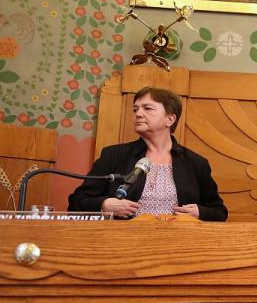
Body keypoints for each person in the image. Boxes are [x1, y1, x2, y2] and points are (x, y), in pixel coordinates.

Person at [68, 86, 228, 221]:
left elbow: (219, 211)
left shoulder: (196, 163)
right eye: (135, 109)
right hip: (122, 244)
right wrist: (104, 205)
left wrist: (199, 212)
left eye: (148, 108)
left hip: (180, 245)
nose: (138, 114)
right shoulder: (114, 155)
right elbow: (76, 202)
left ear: (170, 119)